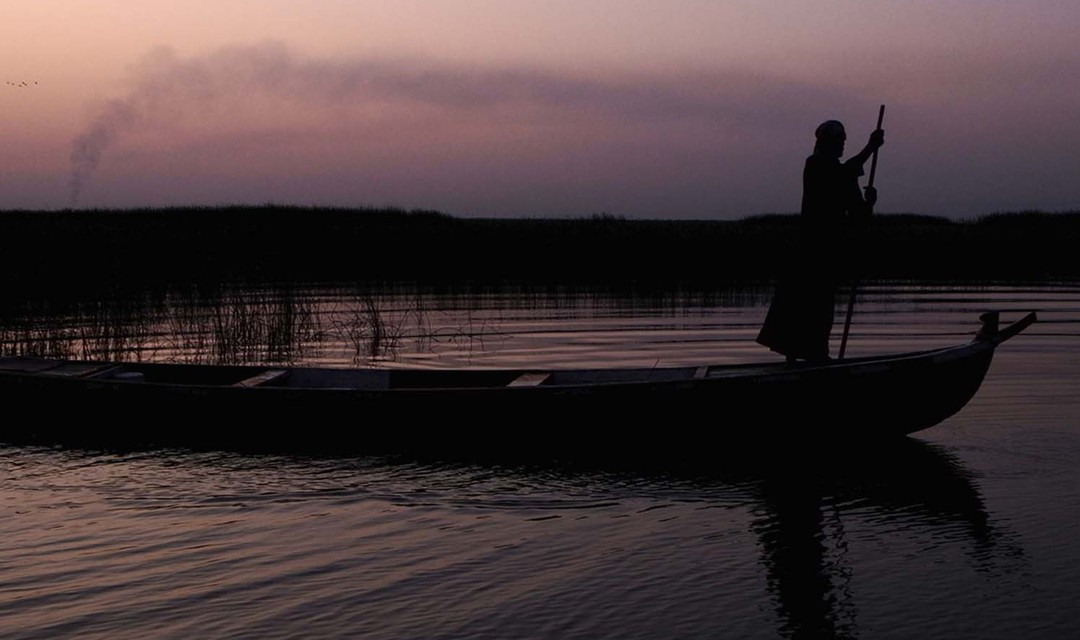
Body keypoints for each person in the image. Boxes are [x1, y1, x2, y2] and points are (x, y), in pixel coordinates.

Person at [756, 119, 885, 363]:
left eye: (843, 140)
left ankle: (818, 356)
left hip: (829, 250)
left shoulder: (844, 175)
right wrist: (870, 148)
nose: (841, 144)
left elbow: (857, 213)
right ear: (824, 142)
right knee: (800, 302)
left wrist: (869, 203)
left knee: (822, 305)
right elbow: (841, 175)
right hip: (808, 249)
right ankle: (798, 358)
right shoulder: (815, 165)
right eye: (837, 140)